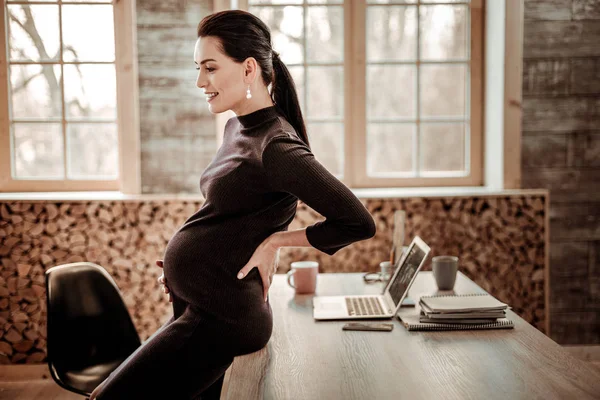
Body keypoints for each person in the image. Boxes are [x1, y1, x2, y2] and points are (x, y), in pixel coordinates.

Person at [90, 9, 376, 400]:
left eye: (209, 68)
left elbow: (357, 222)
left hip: (223, 318)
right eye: (198, 68)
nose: (199, 81)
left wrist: (275, 242)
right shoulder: (235, 126)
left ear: (248, 69)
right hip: (201, 303)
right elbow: (231, 216)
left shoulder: (276, 146)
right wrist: (187, 270)